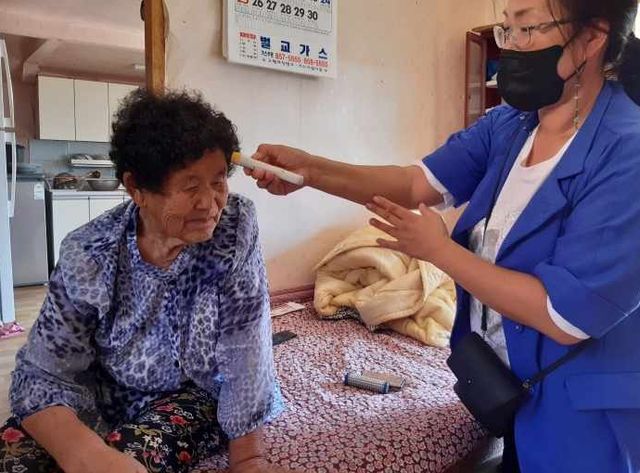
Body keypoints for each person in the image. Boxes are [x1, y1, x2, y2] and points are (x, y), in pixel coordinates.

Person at [243, 0, 640, 472]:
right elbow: (416, 184)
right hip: (514, 389)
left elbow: (564, 315)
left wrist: (440, 252)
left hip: (584, 414)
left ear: (592, 38)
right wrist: (311, 170)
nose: (512, 47)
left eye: (529, 28)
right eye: (506, 29)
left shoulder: (627, 152)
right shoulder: (511, 126)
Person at [0, 90, 297, 473]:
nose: (210, 204)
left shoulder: (234, 227)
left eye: (218, 181)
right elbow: (42, 373)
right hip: (105, 390)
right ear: (136, 188)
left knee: (134, 456)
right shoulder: (89, 253)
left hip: (194, 393)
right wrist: (83, 454)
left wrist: (249, 460)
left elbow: (247, 344)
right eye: (190, 187)